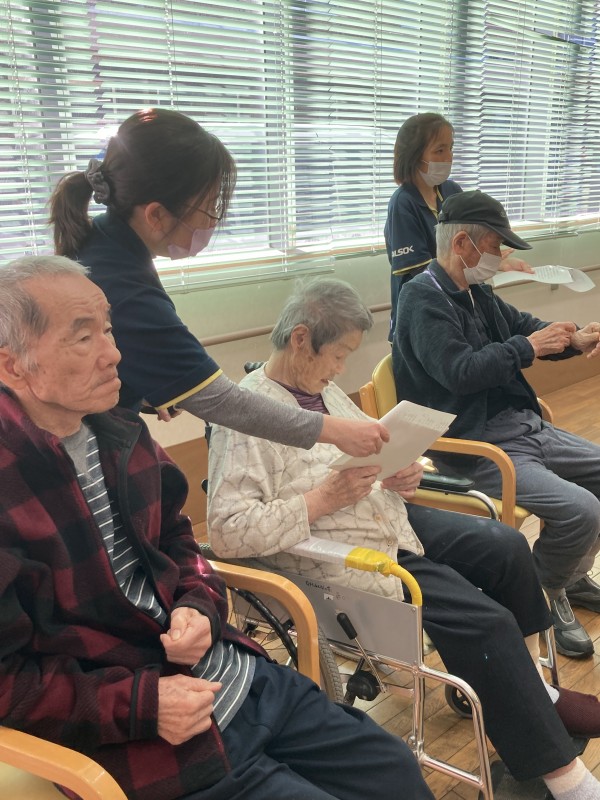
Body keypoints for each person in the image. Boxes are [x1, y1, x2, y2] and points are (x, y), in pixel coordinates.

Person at [0, 254, 434, 800]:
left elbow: (182, 541)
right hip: (148, 738)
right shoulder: (12, 482)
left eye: (108, 329)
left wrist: (198, 604)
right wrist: (141, 704)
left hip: (238, 676)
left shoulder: (120, 431)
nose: (114, 353)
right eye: (83, 338)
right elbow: (9, 684)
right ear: (13, 366)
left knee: (392, 769)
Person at [208, 276, 600, 800]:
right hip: (342, 552)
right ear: (301, 339)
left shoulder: (322, 392)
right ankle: (565, 780)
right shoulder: (246, 416)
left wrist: (402, 470)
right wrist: (323, 499)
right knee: (484, 621)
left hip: (387, 516)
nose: (340, 369)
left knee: (506, 547)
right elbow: (227, 532)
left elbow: (369, 451)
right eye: (338, 355)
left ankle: (534, 691)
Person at [48, 107, 386, 460]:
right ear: (156, 215)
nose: (213, 223)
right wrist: (335, 431)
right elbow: (223, 402)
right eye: (209, 209)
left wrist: (149, 383)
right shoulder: (122, 286)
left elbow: (117, 352)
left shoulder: (107, 244)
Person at [391, 188, 600, 660]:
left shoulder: (475, 293)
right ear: (461, 244)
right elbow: (460, 372)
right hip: (473, 443)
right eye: (494, 246)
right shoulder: (420, 299)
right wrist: (530, 347)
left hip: (521, 426)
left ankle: (568, 578)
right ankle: (543, 592)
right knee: (582, 510)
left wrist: (572, 339)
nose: (500, 255)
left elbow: (524, 327)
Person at [384, 112, 530, 340]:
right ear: (414, 155)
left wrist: (494, 261)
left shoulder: (451, 191)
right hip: (422, 316)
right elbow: (424, 273)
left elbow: (469, 247)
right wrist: (479, 265)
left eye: (451, 148)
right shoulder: (403, 203)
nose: (449, 157)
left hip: (456, 308)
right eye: (439, 150)